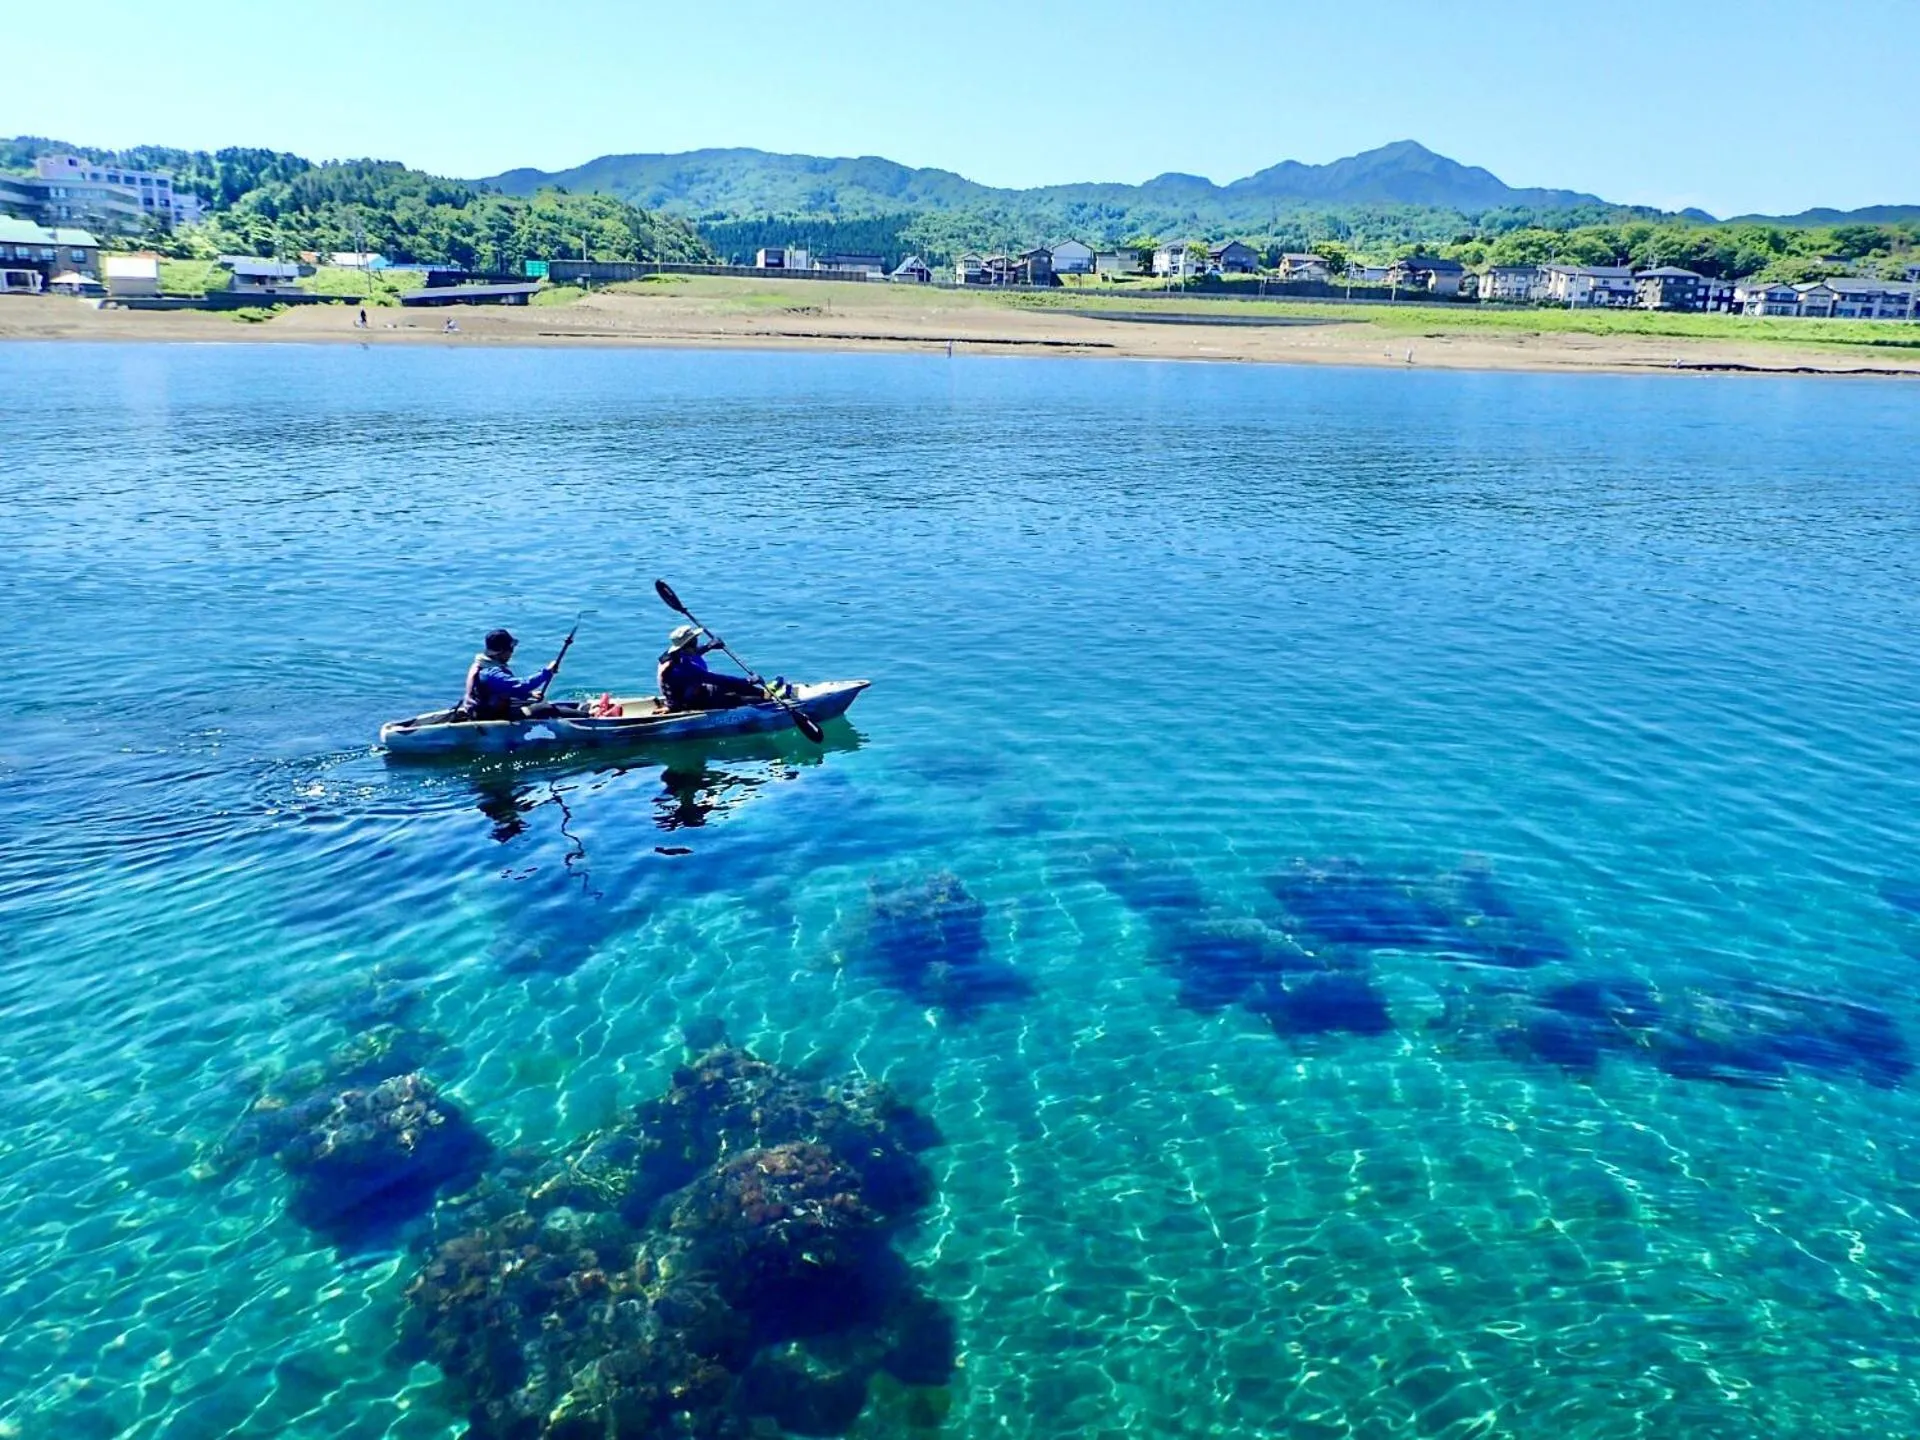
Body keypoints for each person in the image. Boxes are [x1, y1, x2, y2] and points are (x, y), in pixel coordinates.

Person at [657, 625, 767, 712]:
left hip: (698, 690)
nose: (697, 642)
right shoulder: (685, 669)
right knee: (737, 699)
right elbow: (717, 679)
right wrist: (748, 681)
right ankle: (766, 702)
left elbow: (692, 653)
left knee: (743, 689)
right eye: (695, 641)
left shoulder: (672, 654)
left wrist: (709, 646)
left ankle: (764, 693)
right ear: (689, 645)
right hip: (690, 701)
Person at [458, 629, 555, 721]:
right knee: (545, 708)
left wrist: (529, 694)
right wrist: (547, 672)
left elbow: (504, 689)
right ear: (500, 651)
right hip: (495, 717)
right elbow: (521, 685)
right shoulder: (493, 674)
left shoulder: (480, 664)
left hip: (484, 710)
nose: (512, 652)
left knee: (532, 701)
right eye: (510, 649)